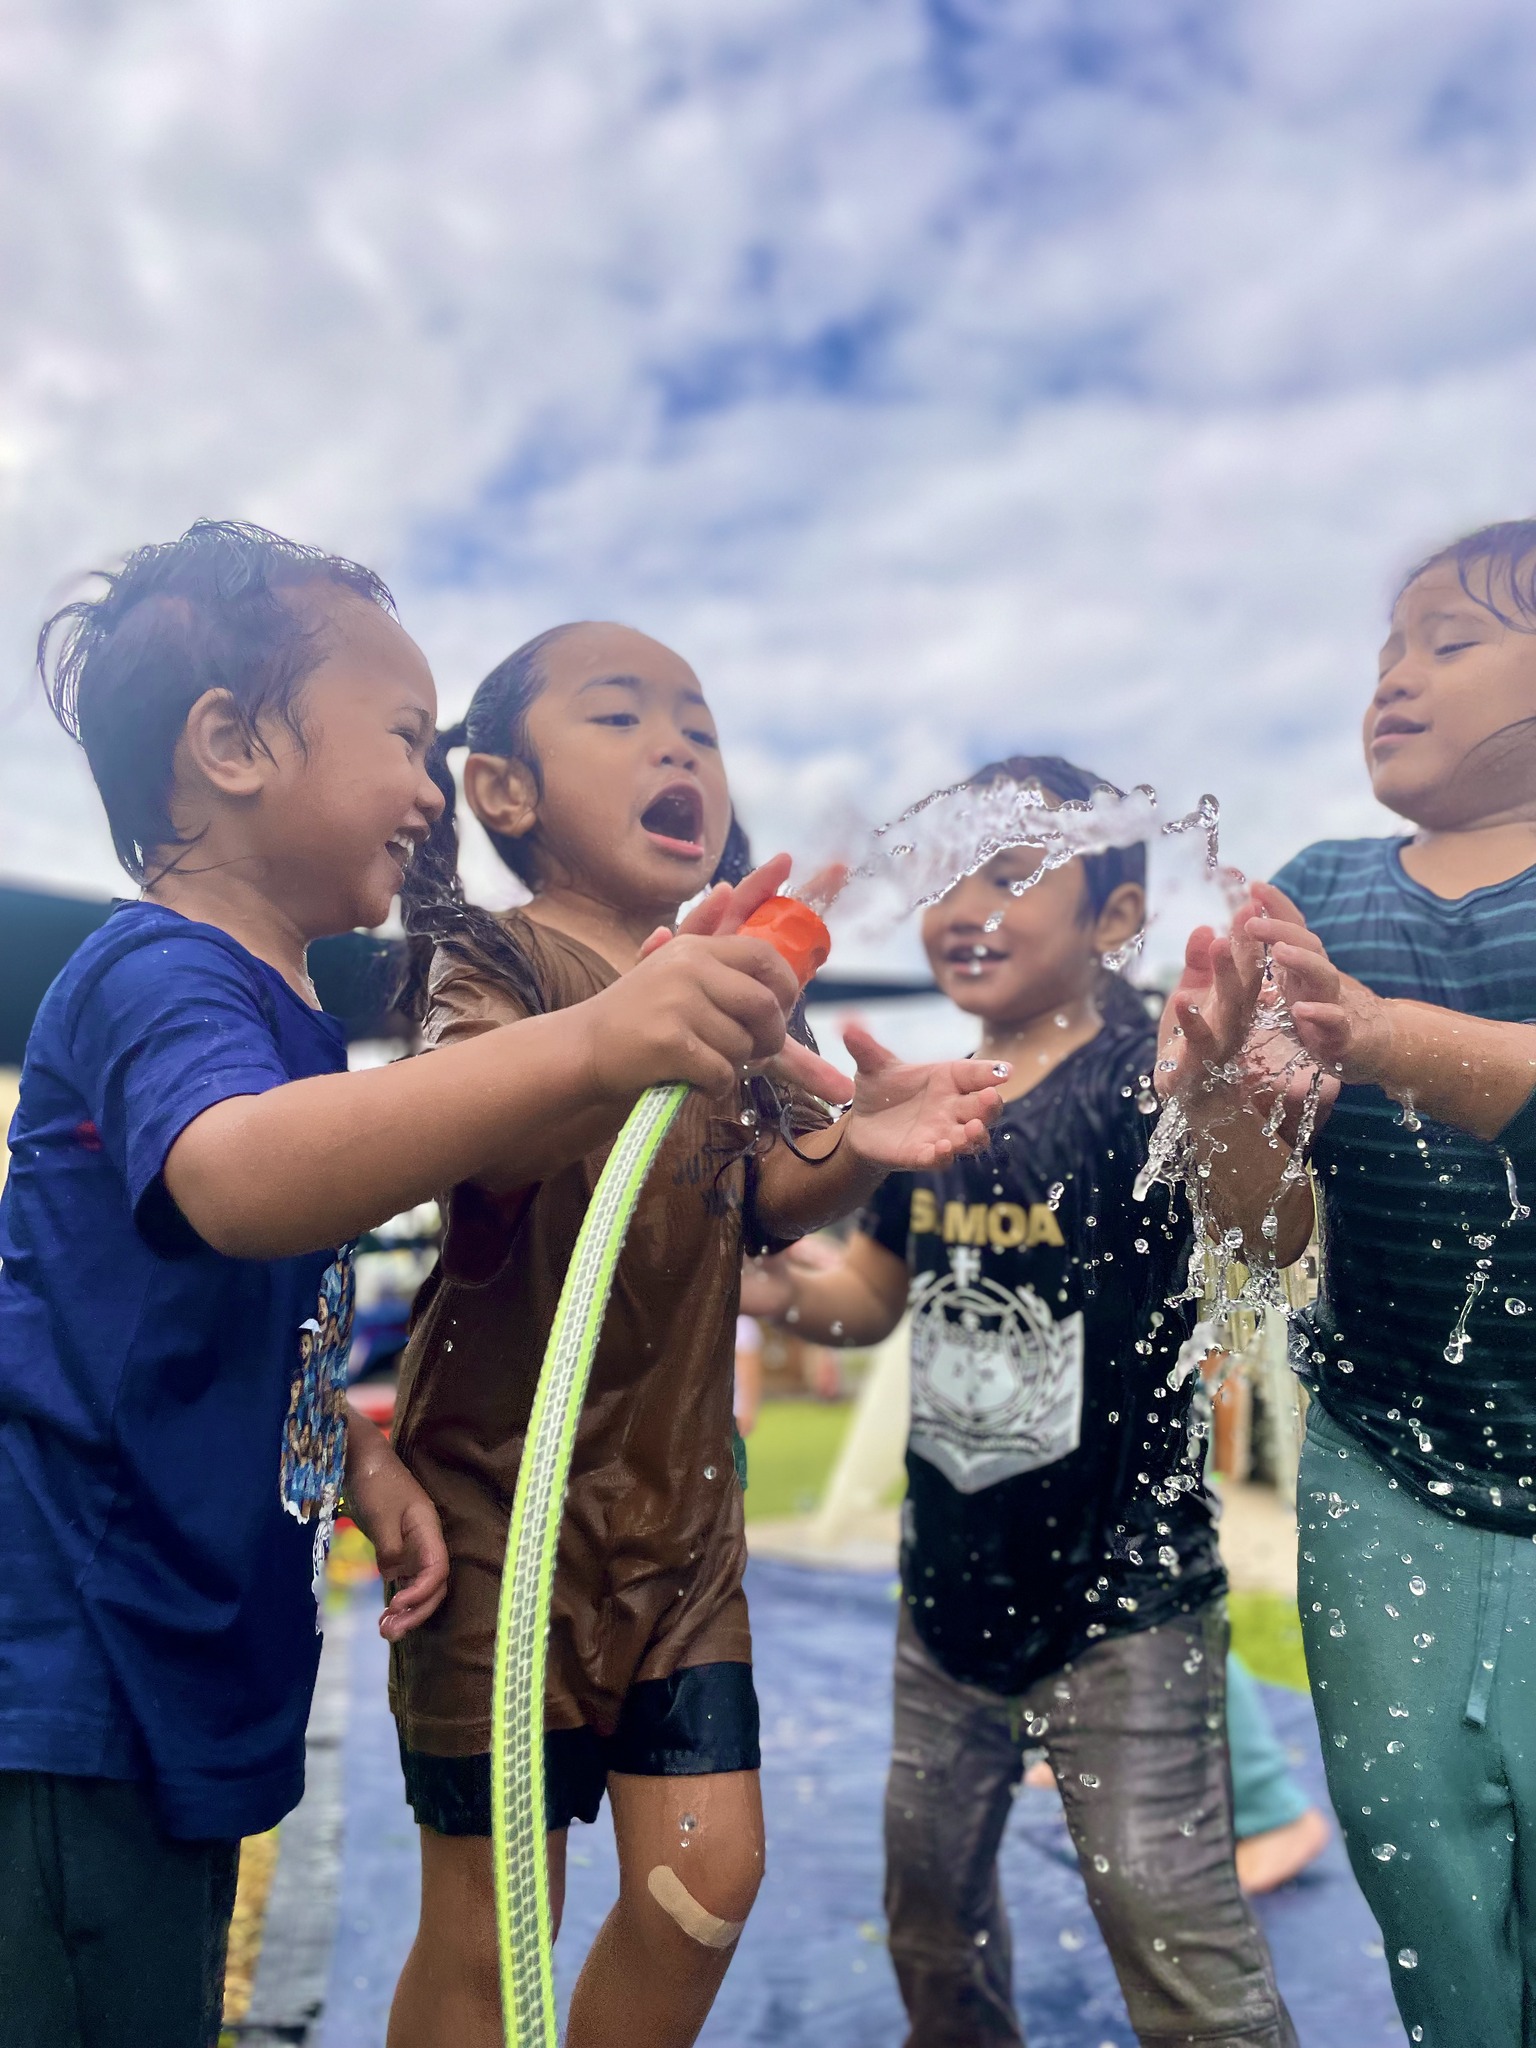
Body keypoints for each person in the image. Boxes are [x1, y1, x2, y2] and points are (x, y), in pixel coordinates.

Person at [0, 523, 821, 2048]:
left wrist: (364, 1454)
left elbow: (257, 1292)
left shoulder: (288, 1021)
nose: (430, 789)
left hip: (181, 1655)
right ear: (234, 745)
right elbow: (242, 1187)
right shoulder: (157, 973)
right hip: (75, 1665)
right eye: (402, 739)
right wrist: (587, 1042)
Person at [382, 621, 1006, 2048]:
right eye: (623, 718)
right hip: (500, 1505)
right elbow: (466, 1126)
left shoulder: (729, 994)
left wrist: (857, 1145)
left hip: (678, 1523)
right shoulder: (489, 955)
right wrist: (618, 1033)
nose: (680, 748)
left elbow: (763, 1197)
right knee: (490, 1927)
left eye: (702, 728)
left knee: (707, 1881)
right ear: (504, 792)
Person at [744, 755, 1297, 2048]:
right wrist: (770, 1288)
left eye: (1009, 875)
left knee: (1172, 1924)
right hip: (946, 1595)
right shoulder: (937, 1104)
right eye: (946, 878)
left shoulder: (1144, 1084)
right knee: (929, 1909)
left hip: (1129, 1601)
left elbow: (1271, 1237)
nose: (961, 906)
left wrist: (1217, 1102)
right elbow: (872, 1299)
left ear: (1115, 922)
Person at [1164, 519, 1536, 2046]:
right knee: (1425, 1880)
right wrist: (1221, 1108)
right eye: (1387, 651)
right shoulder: (1319, 894)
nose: (1397, 678)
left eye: (1451, 645)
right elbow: (1266, 1242)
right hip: (1388, 1472)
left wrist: (1378, 1036)